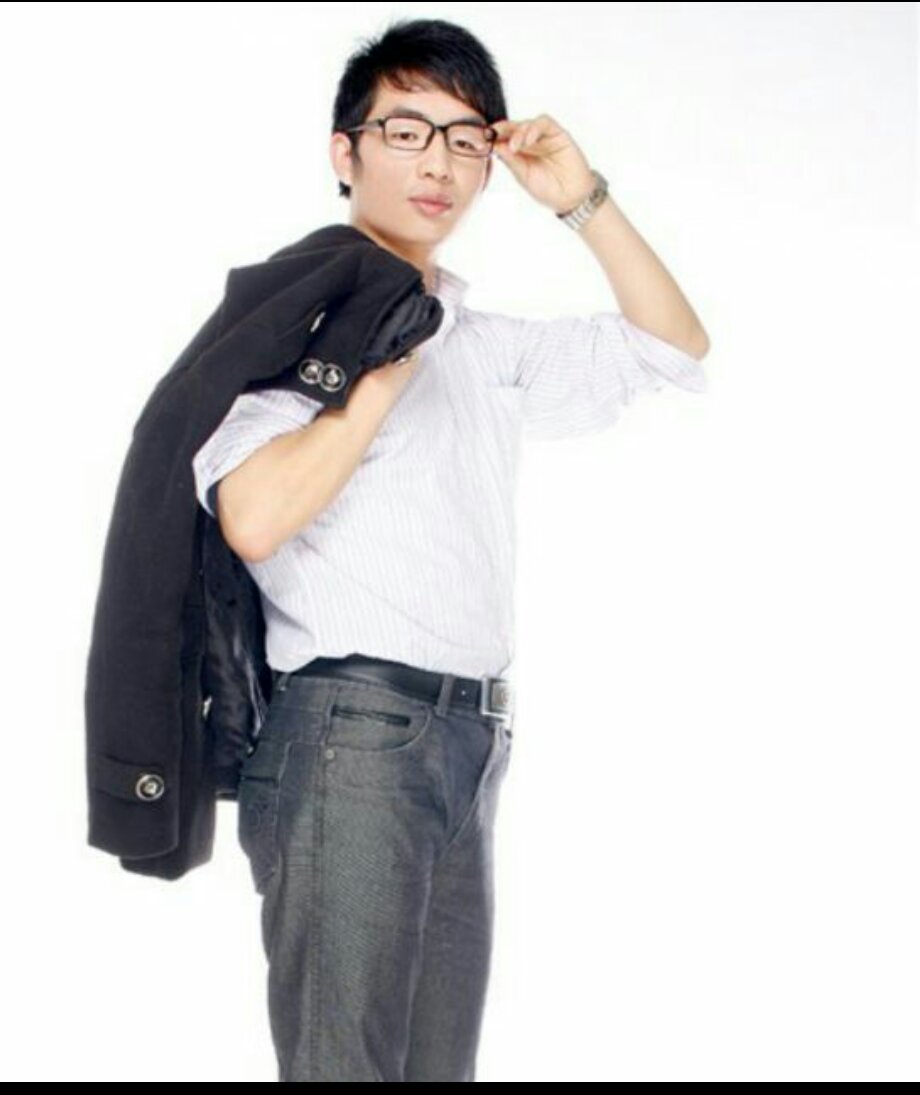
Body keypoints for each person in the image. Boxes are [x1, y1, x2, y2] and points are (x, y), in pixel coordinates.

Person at [193, 17, 710, 1083]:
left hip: (469, 742)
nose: (438, 163)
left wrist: (582, 200)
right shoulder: (294, 326)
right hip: (350, 736)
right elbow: (252, 514)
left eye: (465, 139)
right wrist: (379, 373)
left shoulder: (476, 342)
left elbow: (671, 345)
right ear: (345, 152)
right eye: (407, 130)